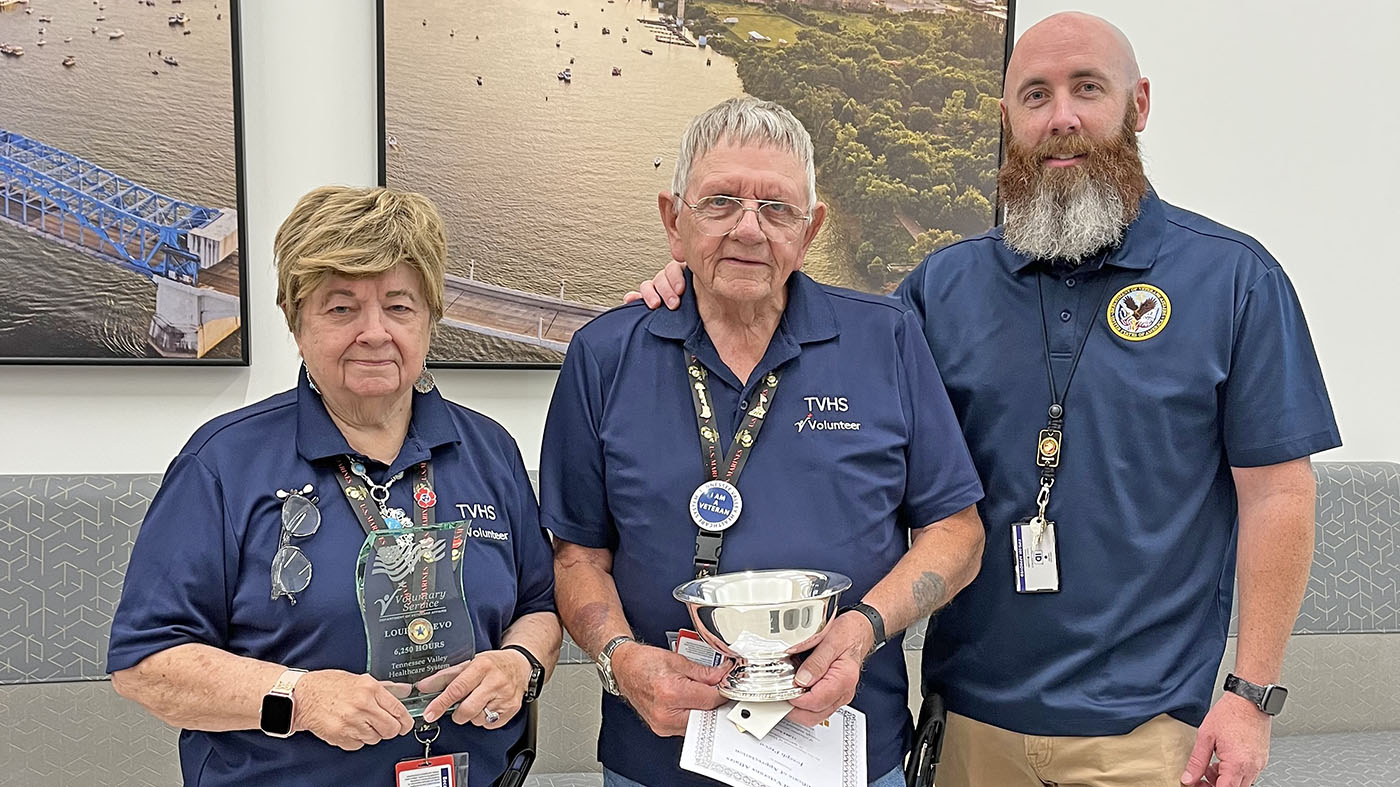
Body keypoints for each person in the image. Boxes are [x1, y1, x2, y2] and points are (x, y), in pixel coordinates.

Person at [633, 13, 1340, 787]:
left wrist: (1250, 695)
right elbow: (812, 352)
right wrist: (699, 290)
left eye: (1087, 89)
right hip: (964, 724)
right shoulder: (943, 288)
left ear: (1137, 105)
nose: (1060, 117)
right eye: (1034, 95)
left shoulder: (1235, 280)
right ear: (1007, 120)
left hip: (1149, 735)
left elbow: (1279, 495)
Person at [541, 97, 986, 787]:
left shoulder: (887, 338)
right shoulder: (603, 355)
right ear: (673, 220)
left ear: (810, 231)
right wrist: (619, 658)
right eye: (720, 202)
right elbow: (576, 556)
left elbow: (958, 535)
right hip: (657, 761)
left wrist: (863, 629)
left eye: (776, 208)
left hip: (848, 756)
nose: (749, 229)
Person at [107, 186, 561, 787]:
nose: (374, 333)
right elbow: (145, 663)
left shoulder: (490, 450)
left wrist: (519, 663)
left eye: (399, 306)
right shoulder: (224, 462)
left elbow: (538, 608)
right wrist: (300, 698)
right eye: (341, 308)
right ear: (297, 324)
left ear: (429, 319)